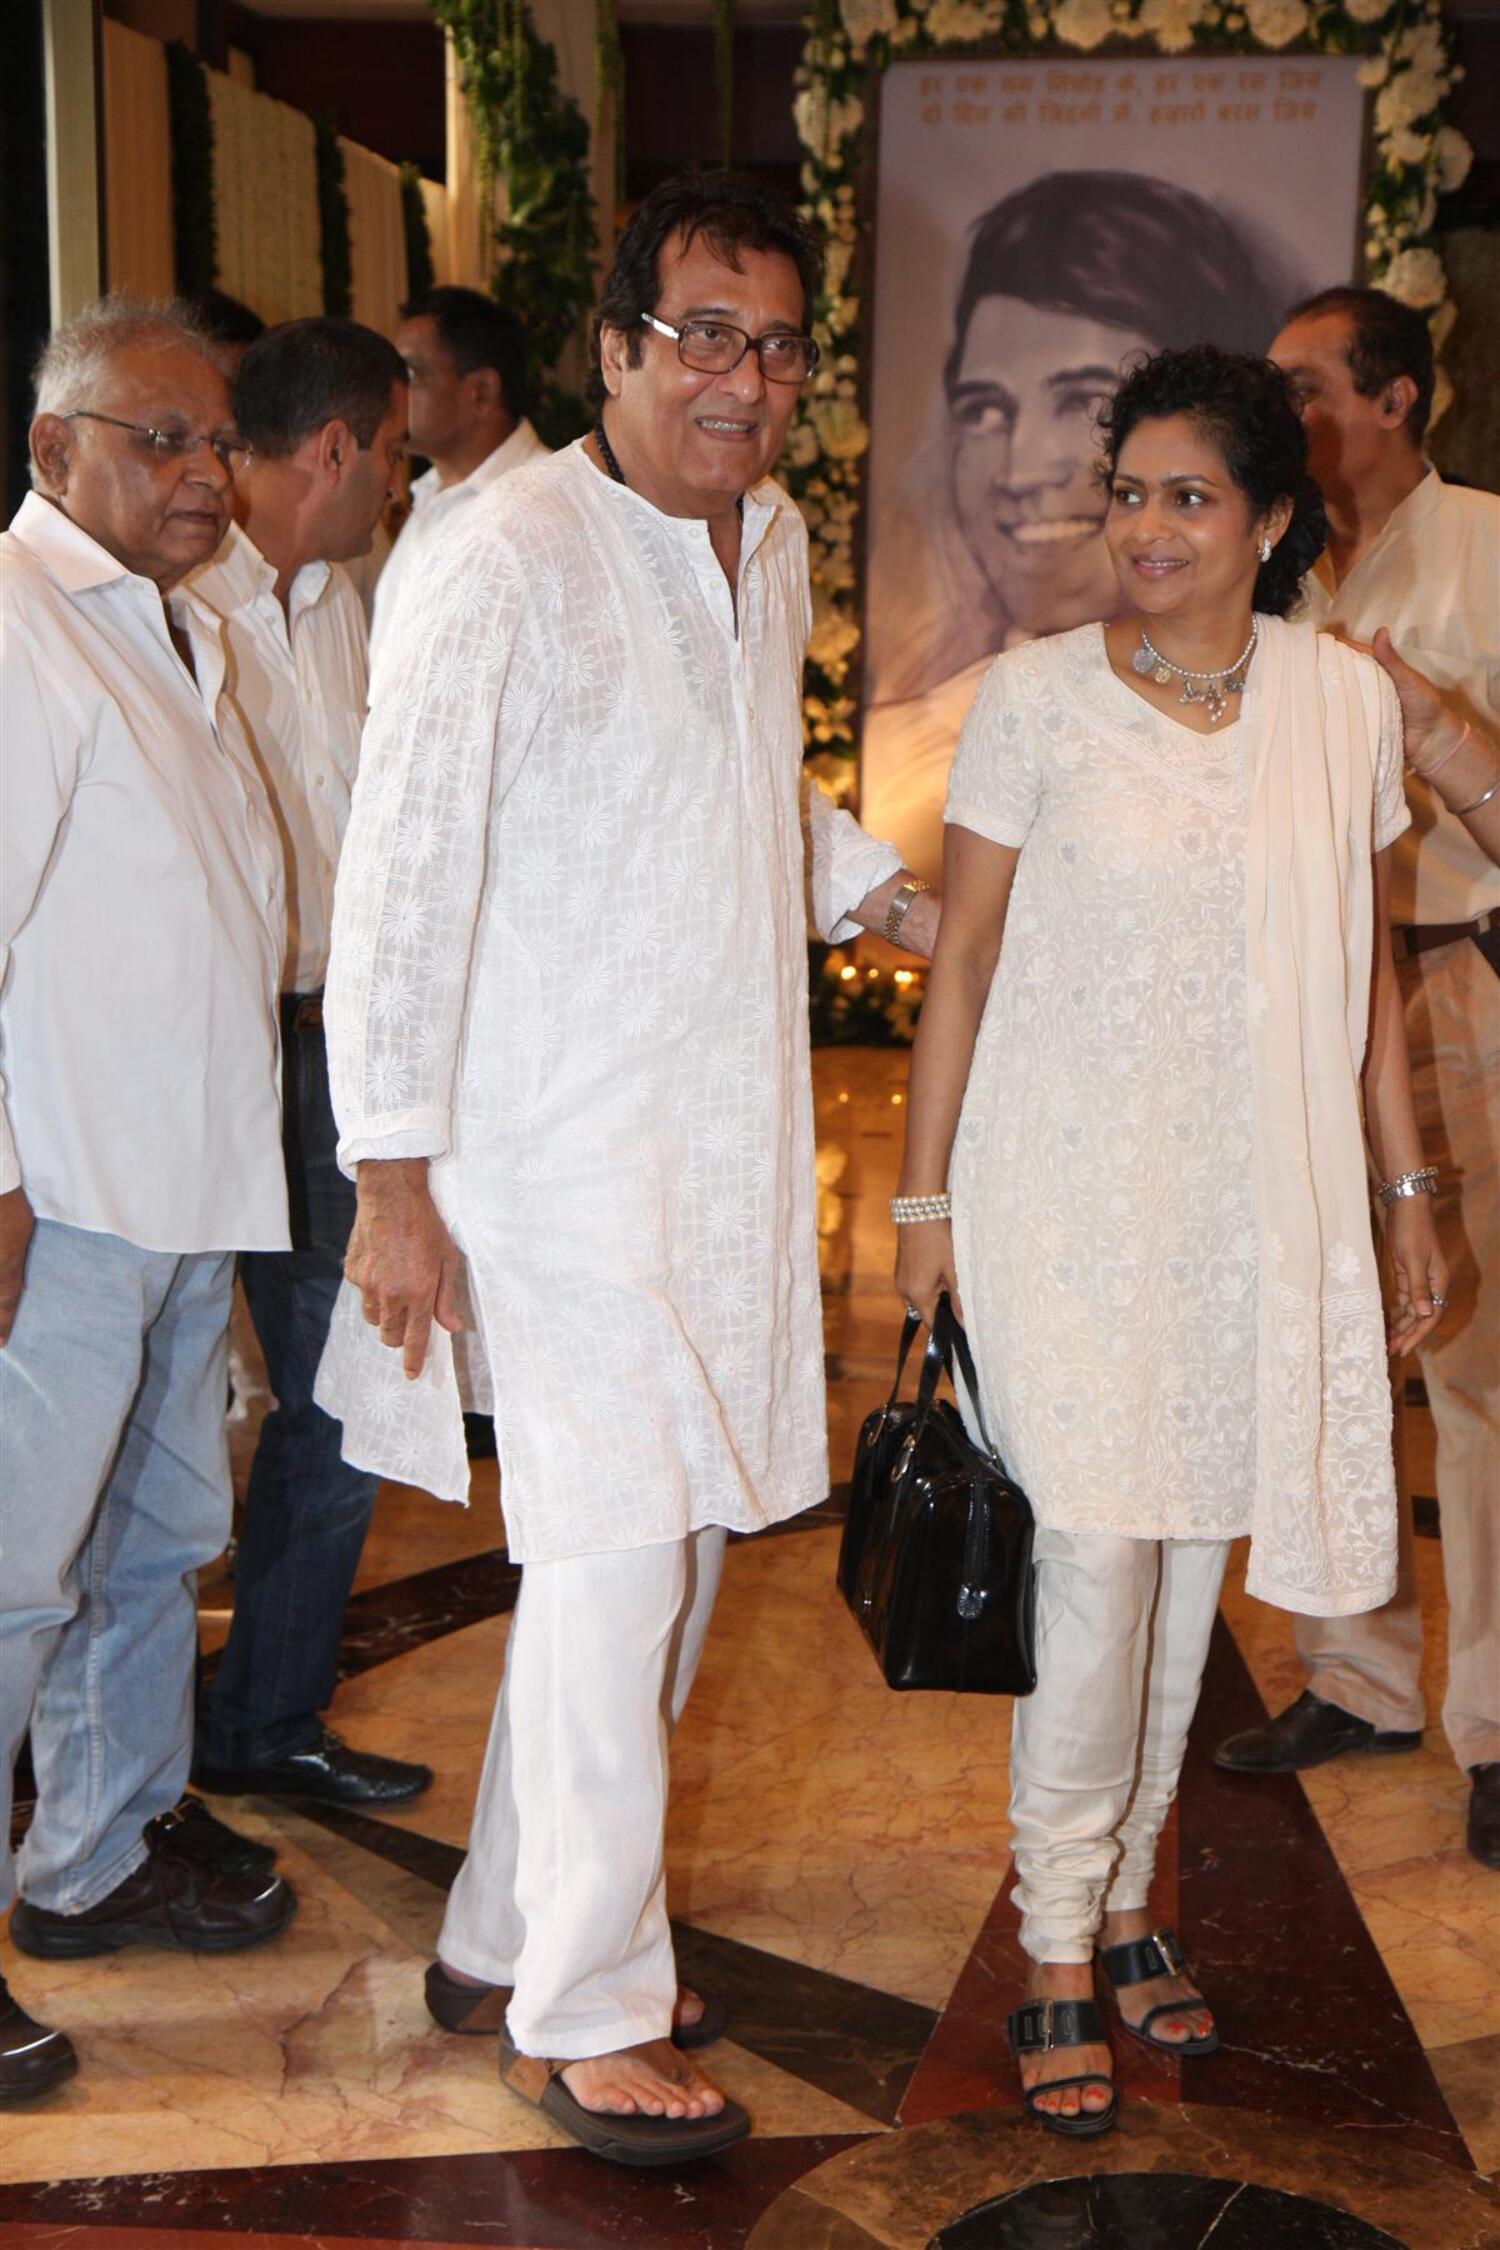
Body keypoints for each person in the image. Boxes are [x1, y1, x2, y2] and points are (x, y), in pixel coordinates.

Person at [314, 170, 938, 2164]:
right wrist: (389, 1172)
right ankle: (584, 2007)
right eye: (702, 337)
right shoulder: (500, 553)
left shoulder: (772, 546)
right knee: (602, 1568)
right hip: (550, 1160)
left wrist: (887, 893)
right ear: (612, 351)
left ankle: (507, 1929)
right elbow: (399, 878)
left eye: (774, 343)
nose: (742, 380)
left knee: (655, 1574)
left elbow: (749, 788)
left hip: (721, 1154)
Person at [894, 345, 1444, 2136]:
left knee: (1193, 1566)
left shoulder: (1338, 706)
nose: (1140, 524)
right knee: (1094, 1576)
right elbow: (960, 961)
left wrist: (1406, 1196)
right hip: (1066, 1198)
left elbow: (1364, 976)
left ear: (1272, 519)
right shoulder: (1036, 698)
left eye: (1185, 495)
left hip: (1251, 1211)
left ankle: (1132, 1901)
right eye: (1124, 491)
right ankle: (1059, 1935)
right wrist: (922, 1203)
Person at [0, 298, 296, 2103]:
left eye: (216, 444)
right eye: (159, 440)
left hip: (181, 1189)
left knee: (143, 1551)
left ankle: (91, 1860)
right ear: (56, 452)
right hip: (72, 1196)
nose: (202, 473)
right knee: (9, 1582)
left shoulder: (168, 630)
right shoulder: (19, 623)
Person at [1213, 287, 1500, 1873]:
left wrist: (1438, 718)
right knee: (1328, 1339)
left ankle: (1497, 1726)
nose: (1287, 415)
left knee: (1475, 1369)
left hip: (1462, 981)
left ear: (1393, 398)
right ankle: (1357, 1672)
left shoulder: (1488, 548)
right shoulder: (1277, 576)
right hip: (1306, 1000)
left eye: (1307, 387)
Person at [183, 318, 432, 1811]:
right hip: (206, 1041)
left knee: (340, 1401)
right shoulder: (179, 599)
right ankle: (117, 1745)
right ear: (333, 449)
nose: (398, 486)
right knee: (157, 1405)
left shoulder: (345, 595)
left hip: (334, 1045)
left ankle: (263, 1718)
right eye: (393, 456)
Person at [862, 172, 1280, 877]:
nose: (1022, 470)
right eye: (985, 409)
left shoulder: (1309, 707)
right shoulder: (906, 757)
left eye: (1082, 403)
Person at [368, 286, 547, 663]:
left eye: (410, 374)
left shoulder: (544, 501)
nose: (392, 396)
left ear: (481, 391)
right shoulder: (431, 494)